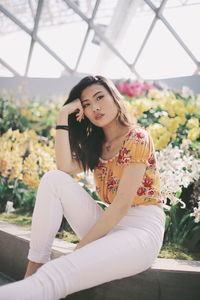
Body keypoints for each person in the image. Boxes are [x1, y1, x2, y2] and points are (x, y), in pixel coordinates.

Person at [0, 75, 165, 300]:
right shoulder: (98, 146)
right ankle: (35, 266)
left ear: (115, 97)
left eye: (99, 97)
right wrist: (62, 115)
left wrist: (79, 251)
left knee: (58, 274)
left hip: (141, 231)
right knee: (53, 179)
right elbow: (63, 166)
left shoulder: (137, 137)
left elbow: (121, 205)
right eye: (86, 104)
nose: (95, 107)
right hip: (109, 224)